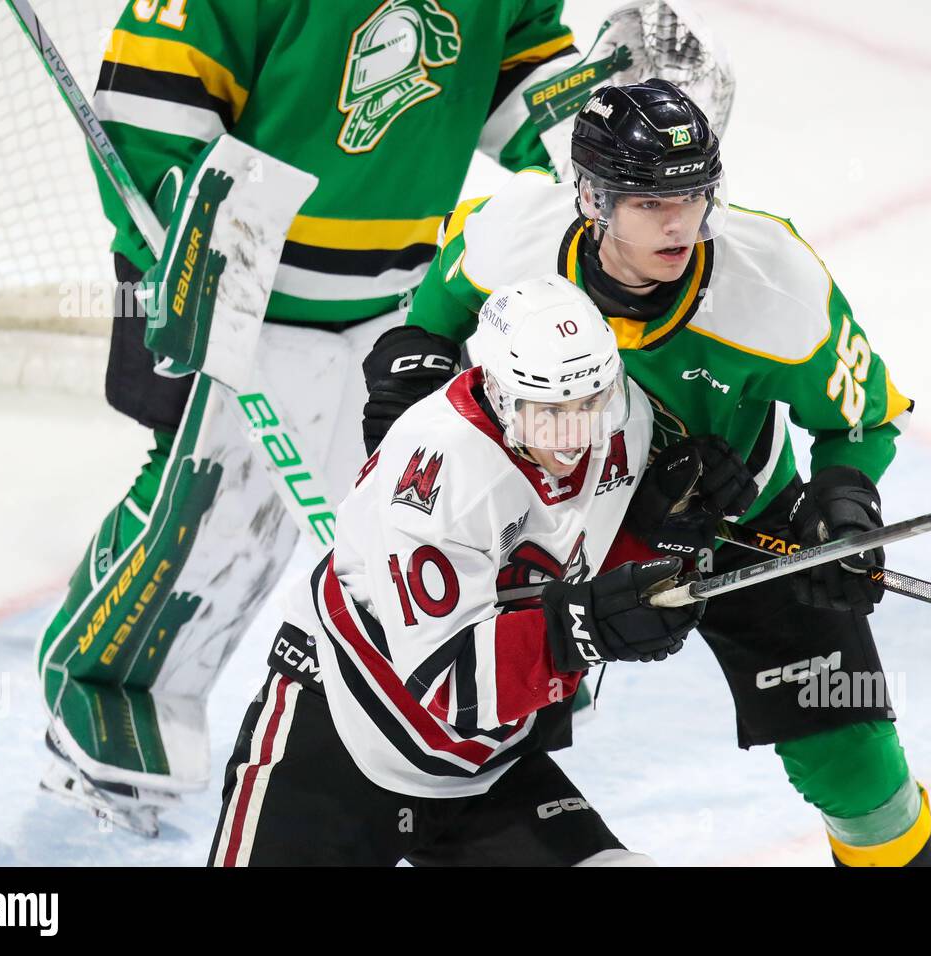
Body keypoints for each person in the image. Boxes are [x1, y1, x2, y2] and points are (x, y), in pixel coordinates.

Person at [37, 0, 599, 835]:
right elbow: (151, 109)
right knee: (213, 525)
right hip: (235, 284)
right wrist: (195, 244)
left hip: (401, 295)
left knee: (426, 521)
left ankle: (453, 706)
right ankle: (103, 728)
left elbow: (519, 76)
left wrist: (601, 114)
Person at [361, 80, 931, 866]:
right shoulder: (513, 237)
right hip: (563, 530)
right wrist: (409, 382)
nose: (681, 224)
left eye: (697, 194)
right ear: (593, 200)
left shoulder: (775, 282)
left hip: (744, 529)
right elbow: (433, 323)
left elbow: (862, 417)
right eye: (649, 204)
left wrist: (843, 502)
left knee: (860, 771)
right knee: (471, 720)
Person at [209, 276, 703, 865]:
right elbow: (449, 684)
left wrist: (656, 543)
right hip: (345, 723)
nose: (575, 437)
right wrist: (589, 628)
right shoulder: (443, 471)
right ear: (497, 392)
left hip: (487, 758)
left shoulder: (624, 420)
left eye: (589, 406)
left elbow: (587, 563)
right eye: (551, 415)